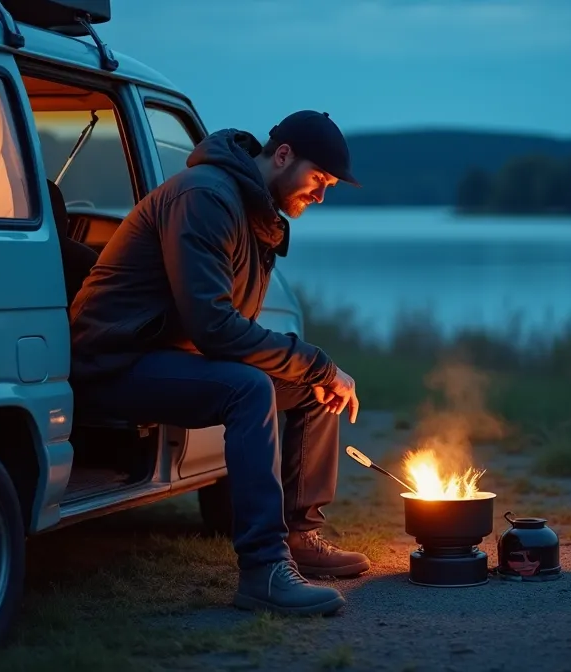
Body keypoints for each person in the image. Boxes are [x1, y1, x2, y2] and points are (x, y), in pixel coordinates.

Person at [68, 111, 368, 617]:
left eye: (329, 186)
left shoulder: (253, 211)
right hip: (114, 359)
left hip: (166, 355)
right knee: (252, 387)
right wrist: (316, 362)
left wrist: (315, 371)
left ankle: (298, 537)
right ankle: (263, 572)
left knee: (315, 389)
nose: (320, 195)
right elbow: (213, 325)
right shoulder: (205, 197)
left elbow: (223, 332)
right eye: (318, 179)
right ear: (283, 156)